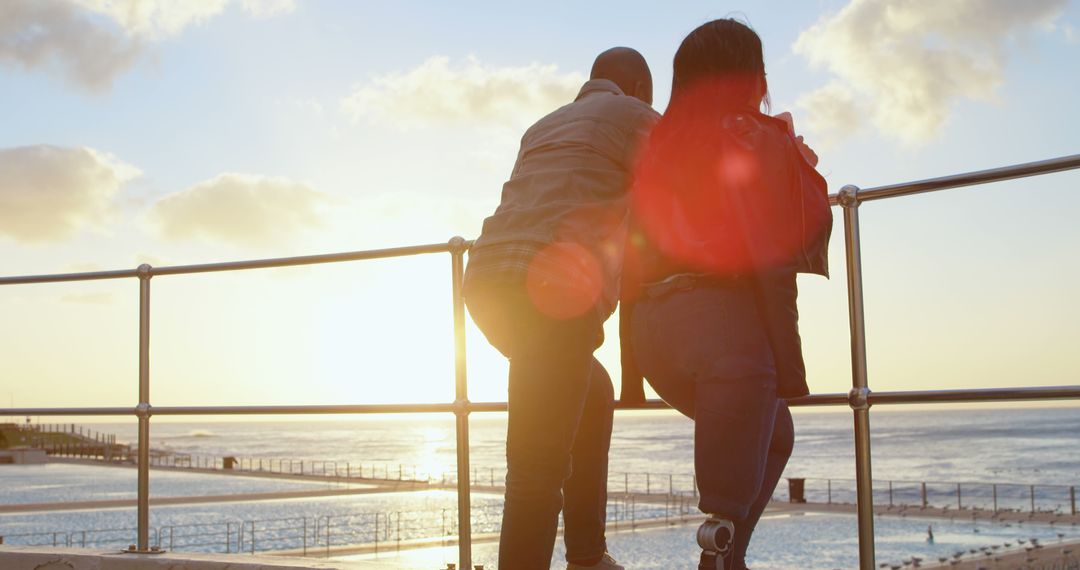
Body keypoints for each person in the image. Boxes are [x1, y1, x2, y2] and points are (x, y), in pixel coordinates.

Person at [619, 19, 832, 570]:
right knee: (730, 487)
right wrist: (790, 369)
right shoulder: (756, 137)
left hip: (653, 332)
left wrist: (631, 375)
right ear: (749, 76)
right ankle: (722, 553)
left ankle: (726, 553)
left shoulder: (656, 145)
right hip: (723, 335)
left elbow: (629, 251)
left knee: (775, 432)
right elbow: (777, 255)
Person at [463, 47, 659, 570]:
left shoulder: (542, 126)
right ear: (640, 87)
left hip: (486, 281)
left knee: (592, 391)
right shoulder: (638, 117)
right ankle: (579, 560)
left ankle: (587, 556)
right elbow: (668, 204)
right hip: (554, 288)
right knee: (536, 465)